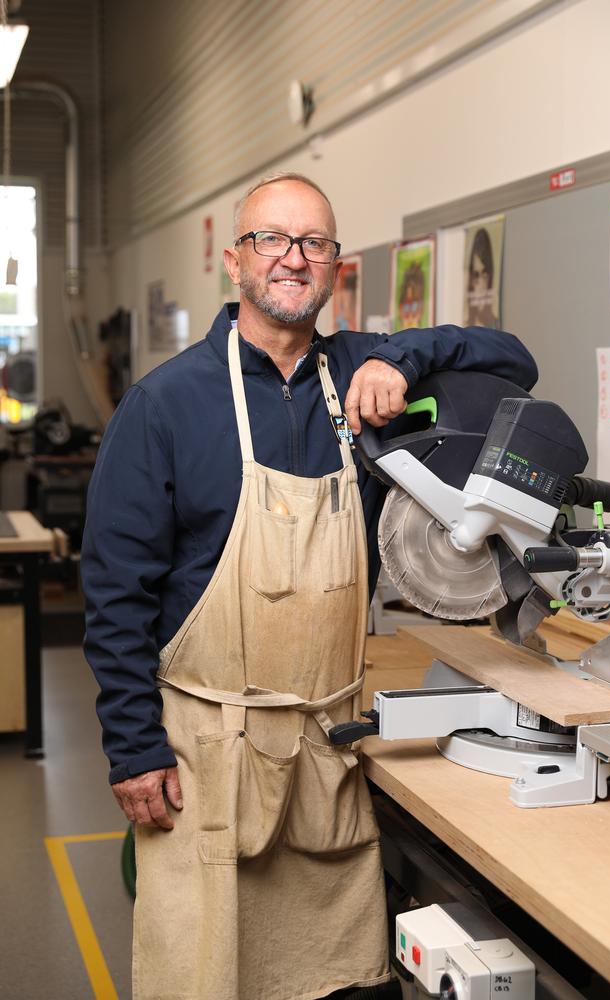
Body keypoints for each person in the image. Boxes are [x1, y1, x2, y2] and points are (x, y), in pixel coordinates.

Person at [82, 172, 537, 1000]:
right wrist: (133, 747)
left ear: (335, 266)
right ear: (235, 260)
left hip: (326, 745)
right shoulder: (165, 404)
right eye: (271, 240)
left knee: (332, 980)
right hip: (206, 752)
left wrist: (402, 357)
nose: (292, 258)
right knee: (203, 973)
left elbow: (514, 358)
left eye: (314, 243)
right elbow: (116, 592)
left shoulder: (362, 373)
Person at [466, 226, 499, 328]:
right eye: (476, 275)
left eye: (484, 275)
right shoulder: (462, 332)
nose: (480, 284)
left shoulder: (497, 326)